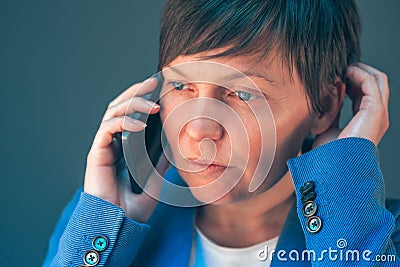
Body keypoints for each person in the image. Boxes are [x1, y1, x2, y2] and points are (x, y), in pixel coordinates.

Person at [43, 0, 400, 266]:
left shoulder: (379, 239)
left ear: (323, 106)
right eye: (181, 87)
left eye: (242, 94)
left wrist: (344, 173)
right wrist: (104, 226)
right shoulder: (100, 222)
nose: (199, 129)